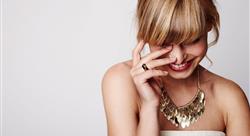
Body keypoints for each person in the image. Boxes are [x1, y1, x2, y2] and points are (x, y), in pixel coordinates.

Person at [101, 0, 250, 136]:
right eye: (164, 43)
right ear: (146, 35)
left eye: (191, 40)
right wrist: (149, 107)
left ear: (209, 24)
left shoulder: (230, 96)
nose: (178, 57)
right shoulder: (120, 81)